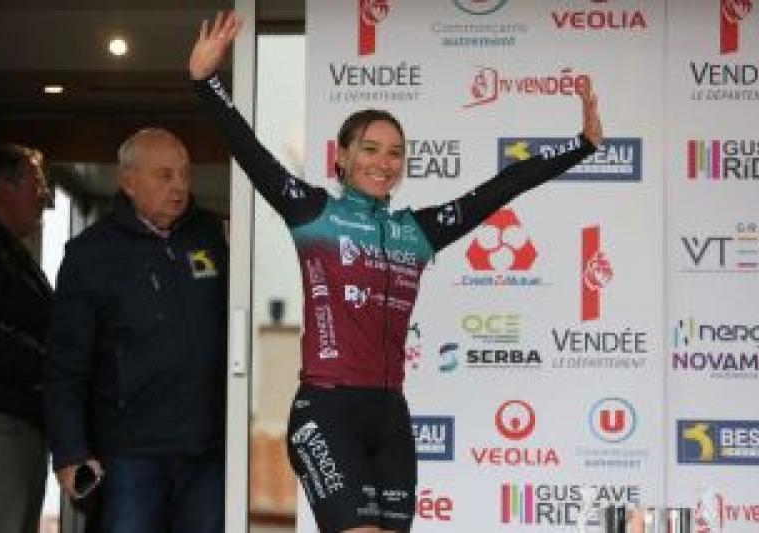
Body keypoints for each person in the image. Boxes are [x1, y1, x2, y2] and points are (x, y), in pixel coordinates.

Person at [190, 12, 603, 533]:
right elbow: (252, 154)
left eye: (395, 154)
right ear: (342, 157)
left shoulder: (417, 232)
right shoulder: (314, 213)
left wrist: (582, 145)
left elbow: (503, 186)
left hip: (389, 417)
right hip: (326, 410)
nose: (383, 163)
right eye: (369, 150)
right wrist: (206, 81)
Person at [43, 128, 229, 533]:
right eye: (165, 175)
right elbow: (65, 363)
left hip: (208, 448)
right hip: (130, 453)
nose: (179, 186)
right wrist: (70, 451)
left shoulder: (213, 237)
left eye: (185, 174)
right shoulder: (91, 254)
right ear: (128, 181)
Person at [0, 144, 53, 533]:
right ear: (4, 189)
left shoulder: (11, 253)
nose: (46, 197)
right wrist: (48, 363)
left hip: (20, 422)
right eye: (36, 183)